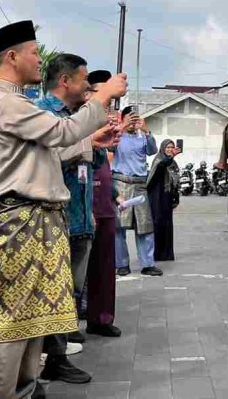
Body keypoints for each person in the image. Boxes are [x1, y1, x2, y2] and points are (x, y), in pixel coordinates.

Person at [0, 21, 127, 399]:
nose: (38, 60)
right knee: (12, 318)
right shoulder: (5, 101)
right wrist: (103, 96)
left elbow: (53, 151)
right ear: (11, 57)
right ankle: (0, 393)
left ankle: (26, 388)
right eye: (32, 52)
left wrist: (90, 140)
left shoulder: (18, 102)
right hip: (21, 218)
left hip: (38, 218)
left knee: (35, 316)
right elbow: (59, 134)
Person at [36, 54, 116, 382]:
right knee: (51, 293)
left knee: (69, 290)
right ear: (65, 80)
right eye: (83, 80)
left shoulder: (73, 118)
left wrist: (98, 145)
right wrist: (85, 145)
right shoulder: (41, 113)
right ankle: (45, 357)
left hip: (82, 216)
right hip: (54, 217)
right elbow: (46, 160)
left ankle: (58, 353)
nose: (86, 88)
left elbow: (92, 163)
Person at [84, 70, 122, 337]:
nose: (107, 102)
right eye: (103, 94)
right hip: (83, 200)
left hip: (104, 199)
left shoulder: (108, 120)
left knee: (105, 263)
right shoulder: (78, 121)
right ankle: (69, 326)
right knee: (77, 266)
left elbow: (106, 163)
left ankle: (101, 318)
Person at [112, 107, 159, 276]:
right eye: (129, 118)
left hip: (140, 185)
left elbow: (152, 150)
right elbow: (109, 147)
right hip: (121, 183)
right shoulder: (117, 135)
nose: (133, 121)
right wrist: (122, 127)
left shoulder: (143, 137)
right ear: (123, 119)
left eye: (135, 118)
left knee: (145, 225)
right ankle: (121, 263)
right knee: (119, 227)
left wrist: (146, 130)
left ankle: (148, 264)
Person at [147, 139, 182, 262]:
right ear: (162, 148)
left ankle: (166, 254)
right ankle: (155, 254)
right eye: (167, 147)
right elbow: (161, 168)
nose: (169, 149)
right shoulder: (158, 160)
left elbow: (176, 183)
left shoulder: (173, 164)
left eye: (172, 147)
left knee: (167, 225)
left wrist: (176, 198)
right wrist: (170, 158)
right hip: (156, 197)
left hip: (167, 198)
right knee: (157, 224)